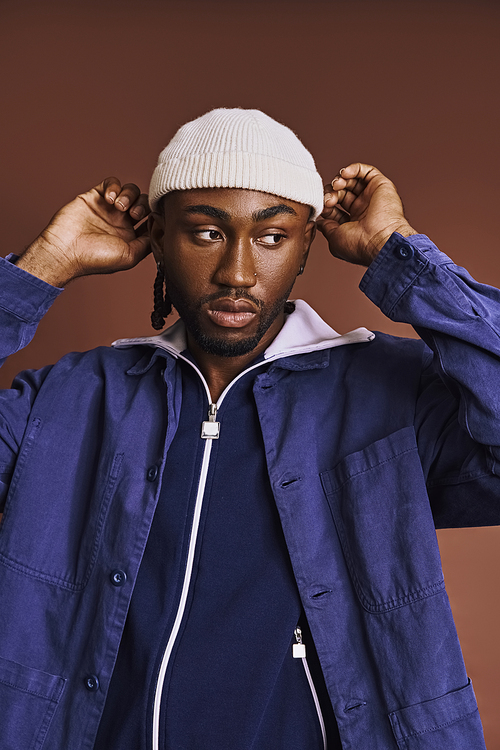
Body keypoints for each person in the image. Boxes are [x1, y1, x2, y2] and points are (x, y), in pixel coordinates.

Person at [0, 108, 497, 750]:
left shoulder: (392, 394)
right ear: (156, 236)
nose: (237, 272)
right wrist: (41, 266)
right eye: (206, 233)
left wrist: (400, 257)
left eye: (271, 237)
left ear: (307, 244)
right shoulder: (69, 400)